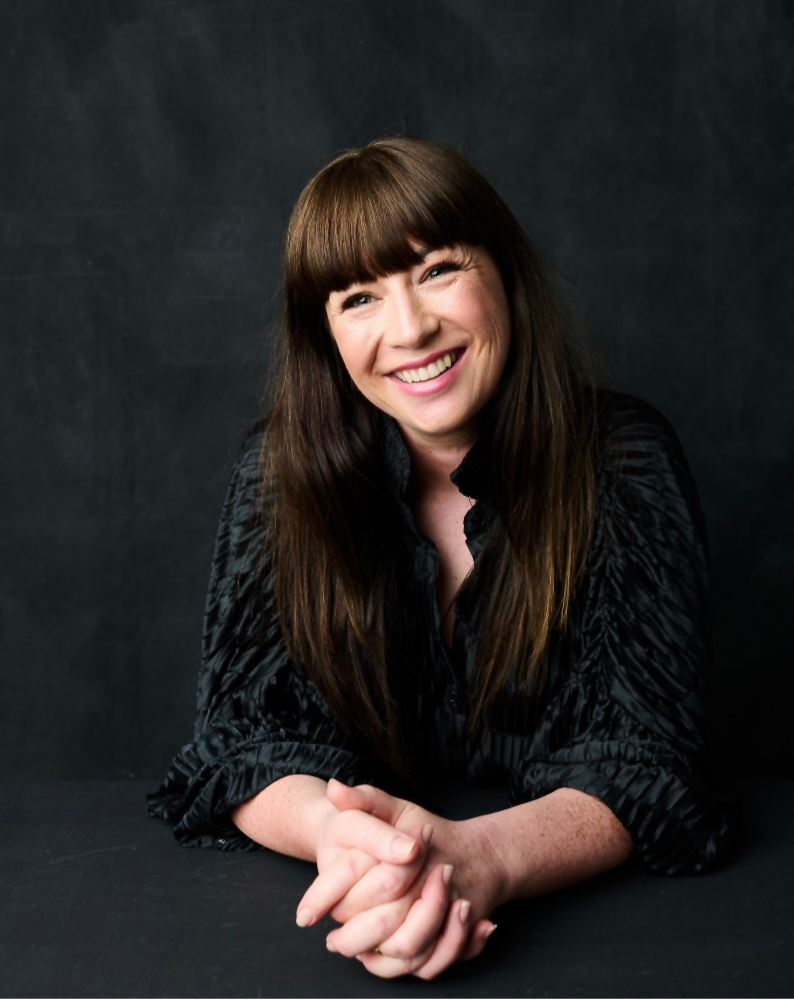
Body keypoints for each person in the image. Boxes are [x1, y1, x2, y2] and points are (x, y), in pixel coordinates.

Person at [148, 137, 737, 979]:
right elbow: (242, 739)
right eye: (358, 298)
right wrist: (344, 842)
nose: (410, 329)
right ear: (324, 334)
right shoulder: (277, 478)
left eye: (437, 271)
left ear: (504, 273)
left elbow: (651, 761)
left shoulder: (625, 460)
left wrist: (480, 856)